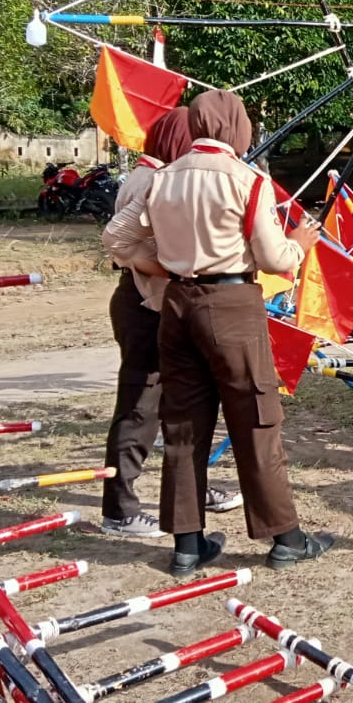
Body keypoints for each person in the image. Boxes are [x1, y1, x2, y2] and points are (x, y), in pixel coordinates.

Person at [104, 90, 331, 576]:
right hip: (231, 304)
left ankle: (188, 544)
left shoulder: (161, 178)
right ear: (237, 128)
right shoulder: (247, 180)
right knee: (255, 418)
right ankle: (285, 535)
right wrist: (298, 245)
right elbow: (272, 258)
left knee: (183, 423)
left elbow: (116, 238)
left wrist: (163, 266)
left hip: (177, 306)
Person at [101, 108, 243, 538]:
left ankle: (188, 490)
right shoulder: (150, 180)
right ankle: (120, 509)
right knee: (140, 407)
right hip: (146, 305)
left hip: (167, 305)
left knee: (182, 404)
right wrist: (181, 269)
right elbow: (119, 246)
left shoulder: (162, 175)